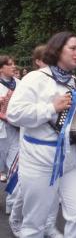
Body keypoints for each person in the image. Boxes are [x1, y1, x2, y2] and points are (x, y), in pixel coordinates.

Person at [7, 32, 76, 238]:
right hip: (40, 159)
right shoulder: (34, 78)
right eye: (73, 48)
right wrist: (51, 107)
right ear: (57, 49)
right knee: (34, 224)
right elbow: (14, 114)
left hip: (74, 159)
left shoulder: (75, 82)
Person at [8, 44, 63, 238]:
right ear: (38, 62)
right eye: (47, 60)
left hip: (52, 151)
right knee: (24, 192)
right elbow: (16, 113)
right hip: (29, 147)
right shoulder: (29, 81)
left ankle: (49, 226)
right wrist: (50, 108)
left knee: (51, 193)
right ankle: (15, 220)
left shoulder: (59, 81)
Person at [0, 55, 20, 212]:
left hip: (15, 131)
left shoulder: (20, 84)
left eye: (14, 64)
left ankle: (11, 205)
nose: (14, 66)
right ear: (1, 68)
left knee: (14, 169)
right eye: (10, 64)